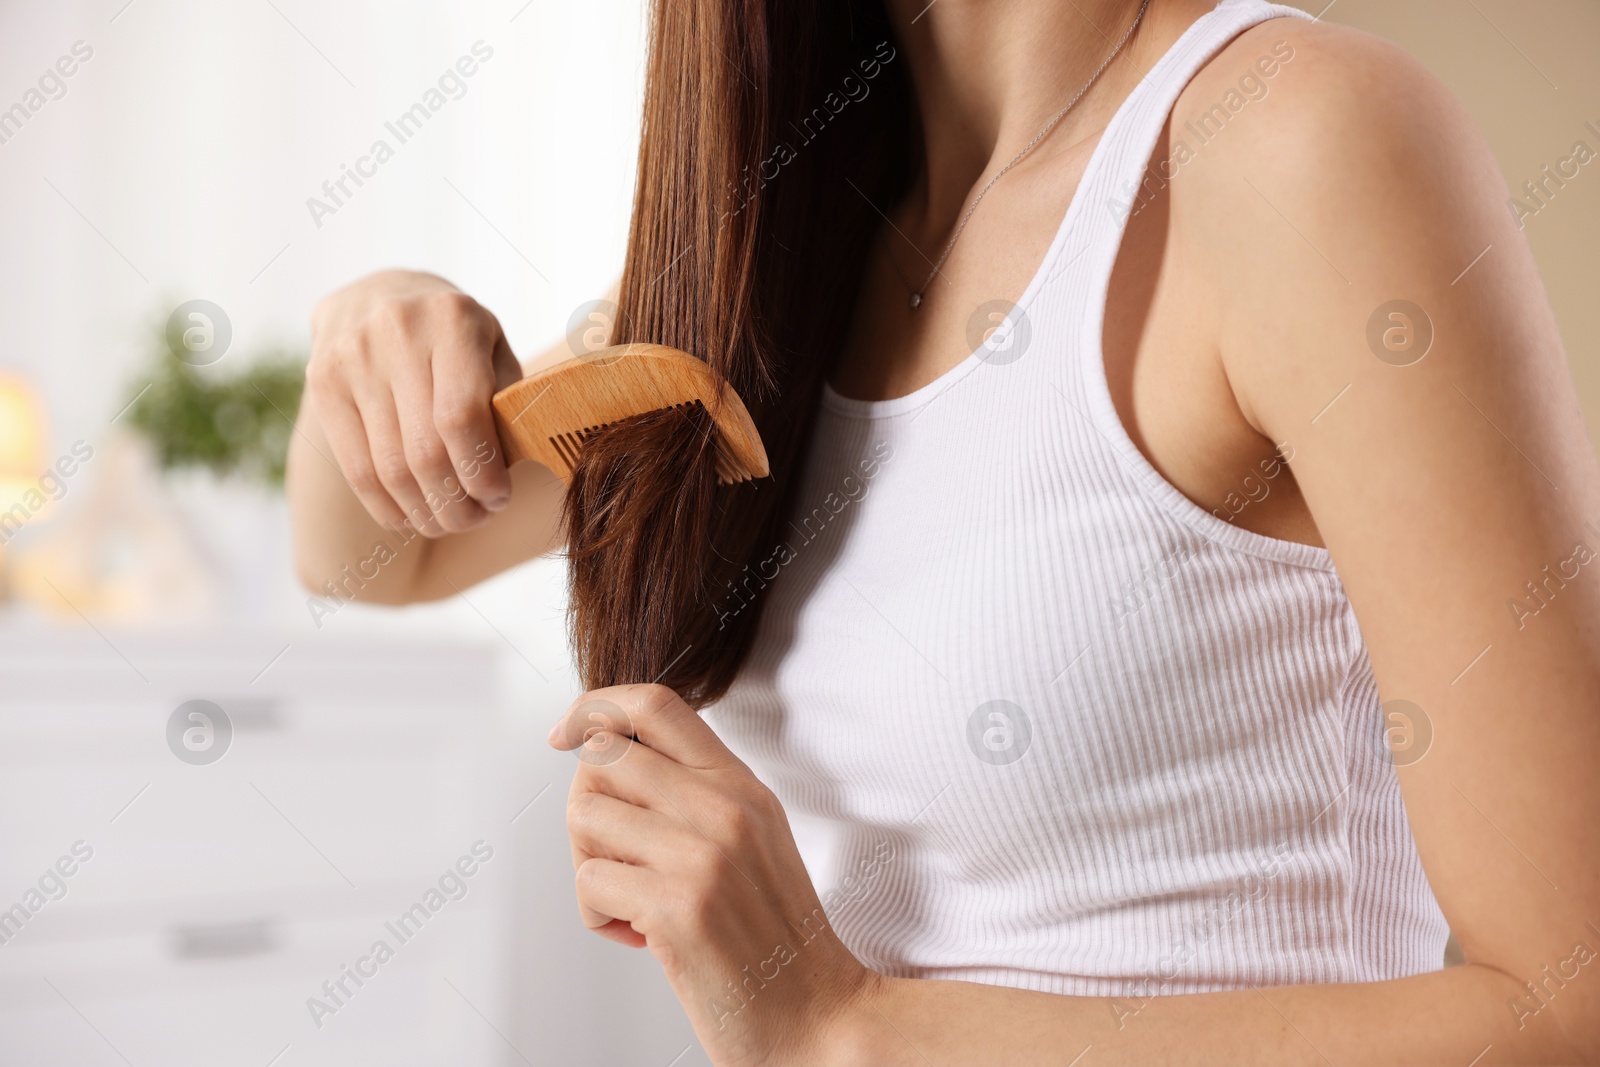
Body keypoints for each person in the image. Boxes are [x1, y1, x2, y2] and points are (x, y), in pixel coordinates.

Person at [287, 0, 1600, 1061]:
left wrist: (851, 1030)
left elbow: (1570, 1001)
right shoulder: (769, 262)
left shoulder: (1290, 141)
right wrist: (374, 329)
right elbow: (373, 554)